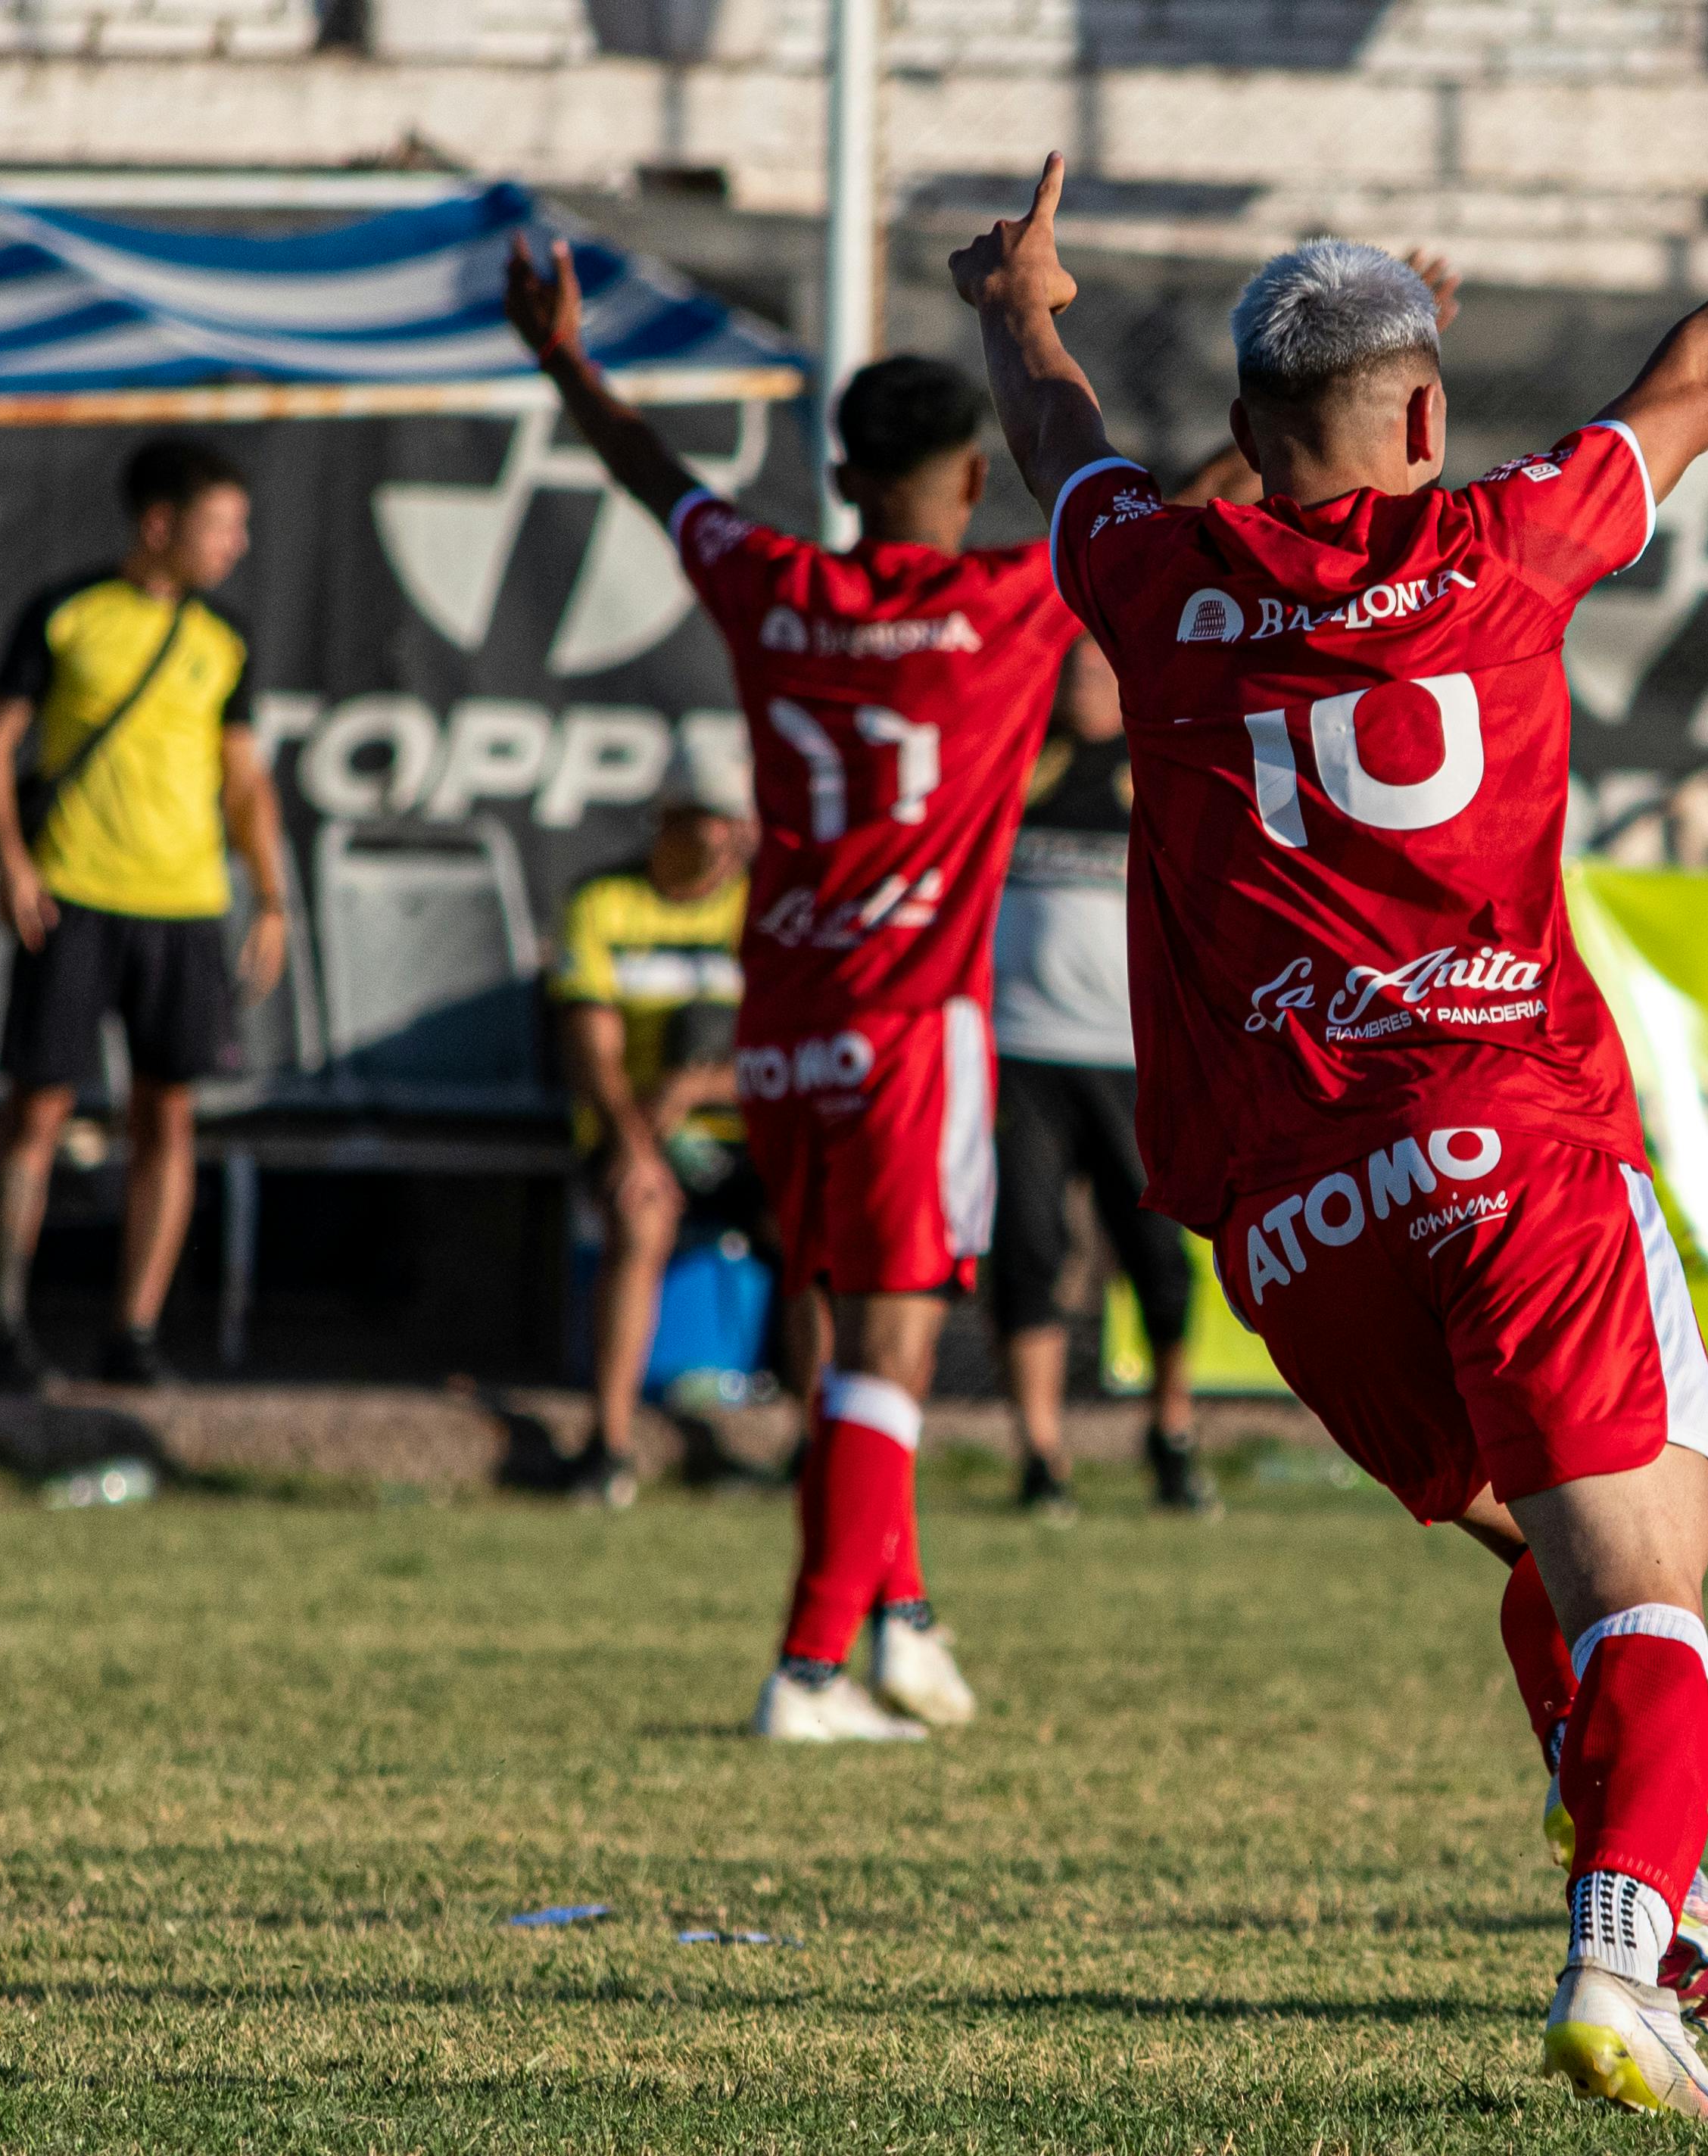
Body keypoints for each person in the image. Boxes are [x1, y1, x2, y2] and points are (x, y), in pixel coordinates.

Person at [954, 64, 1708, 2121]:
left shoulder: (1158, 587)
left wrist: (1017, 306)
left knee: (1550, 1543)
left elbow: (1060, 443)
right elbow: (1698, 382)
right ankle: (1617, 1961)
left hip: (1299, 1223)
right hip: (1509, 1143)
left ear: (1239, 449)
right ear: (1427, 419)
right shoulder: (1506, 544)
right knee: (1653, 1570)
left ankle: (1657, 1895)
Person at [506, 233, 1074, 1744]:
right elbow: (1169, 504)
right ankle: (811, 1665)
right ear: (967, 481)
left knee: (839, 1333)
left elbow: (657, 481)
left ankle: (895, 1620)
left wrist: (565, 354)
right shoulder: (1012, 605)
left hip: (789, 1025)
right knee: (890, 1344)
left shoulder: (772, 583)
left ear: (838, 478)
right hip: (913, 1026)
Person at [0, 437, 289, 1393]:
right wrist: (12, 861)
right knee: (37, 1108)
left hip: (185, 907)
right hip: (74, 897)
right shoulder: (67, 614)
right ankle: (3, 1327)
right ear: (159, 523)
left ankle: (134, 1334)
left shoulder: (223, 638)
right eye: (221, 524)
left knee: (170, 1118)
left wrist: (271, 897)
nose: (237, 543)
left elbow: (244, 782)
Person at [989, 637, 1211, 1519]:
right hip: (1024, 1054)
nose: (1083, 679)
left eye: (1098, 667)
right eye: (1072, 668)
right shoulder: (1020, 766)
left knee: (1158, 1253)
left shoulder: (1157, 766)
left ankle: (1174, 1433)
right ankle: (1042, 1455)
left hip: (1132, 1057)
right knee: (1029, 1248)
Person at [553, 748, 764, 1509]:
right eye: (710, 821)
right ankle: (607, 1444)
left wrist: (701, 1084)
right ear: (666, 823)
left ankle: (821, 1447)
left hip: (746, 1127)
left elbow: (793, 1042)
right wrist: (639, 1142)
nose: (728, 840)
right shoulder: (604, 901)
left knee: (821, 1229)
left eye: (737, 822)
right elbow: (592, 1053)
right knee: (641, 1218)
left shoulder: (764, 907)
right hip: (632, 1126)